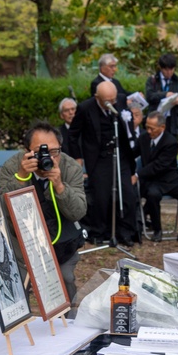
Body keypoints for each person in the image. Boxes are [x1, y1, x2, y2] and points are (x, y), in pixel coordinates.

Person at [0, 121, 87, 301]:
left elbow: (78, 212)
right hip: (23, 238)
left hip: (61, 238)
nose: (49, 157)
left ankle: (69, 320)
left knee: (65, 279)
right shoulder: (13, 166)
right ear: (27, 151)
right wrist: (21, 177)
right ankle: (18, 322)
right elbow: (5, 211)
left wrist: (60, 187)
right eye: (40, 152)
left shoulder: (70, 168)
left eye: (54, 151)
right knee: (17, 284)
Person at [66, 81, 140, 246]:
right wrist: (78, 157)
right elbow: (73, 134)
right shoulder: (86, 108)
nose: (112, 103)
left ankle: (126, 232)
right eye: (107, 101)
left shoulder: (121, 100)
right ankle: (99, 231)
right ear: (97, 97)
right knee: (101, 196)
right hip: (99, 158)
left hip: (121, 156)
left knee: (127, 194)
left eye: (113, 99)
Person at [134, 112, 178, 243]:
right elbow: (132, 154)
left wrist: (138, 175)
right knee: (152, 195)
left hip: (171, 179)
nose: (149, 131)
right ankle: (157, 230)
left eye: (152, 128)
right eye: (147, 127)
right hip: (152, 181)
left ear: (162, 127)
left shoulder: (171, 142)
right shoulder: (144, 138)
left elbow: (159, 165)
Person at [144, 53, 178, 137]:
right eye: (166, 70)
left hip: (171, 121)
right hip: (155, 119)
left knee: (171, 145)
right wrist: (165, 94)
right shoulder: (153, 80)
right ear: (161, 68)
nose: (169, 72)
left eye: (172, 69)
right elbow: (149, 96)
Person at [57, 97, 81, 164]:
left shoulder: (86, 129)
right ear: (61, 115)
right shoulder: (58, 134)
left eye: (73, 109)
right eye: (66, 110)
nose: (71, 113)